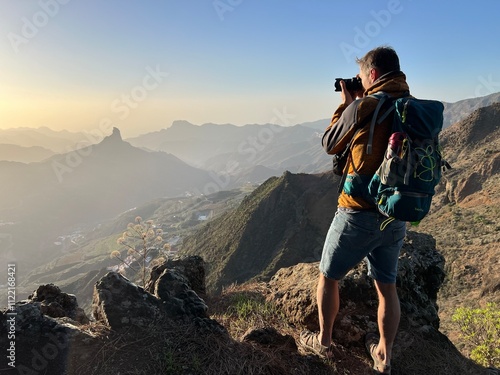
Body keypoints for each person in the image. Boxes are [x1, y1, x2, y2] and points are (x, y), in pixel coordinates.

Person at [299, 46, 409, 374]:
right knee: (386, 287)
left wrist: (346, 104)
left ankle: (324, 344)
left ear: (372, 75)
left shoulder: (365, 105)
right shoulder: (411, 106)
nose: (358, 80)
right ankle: (384, 357)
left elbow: (330, 142)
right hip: (396, 212)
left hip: (358, 212)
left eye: (361, 75)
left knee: (328, 277)